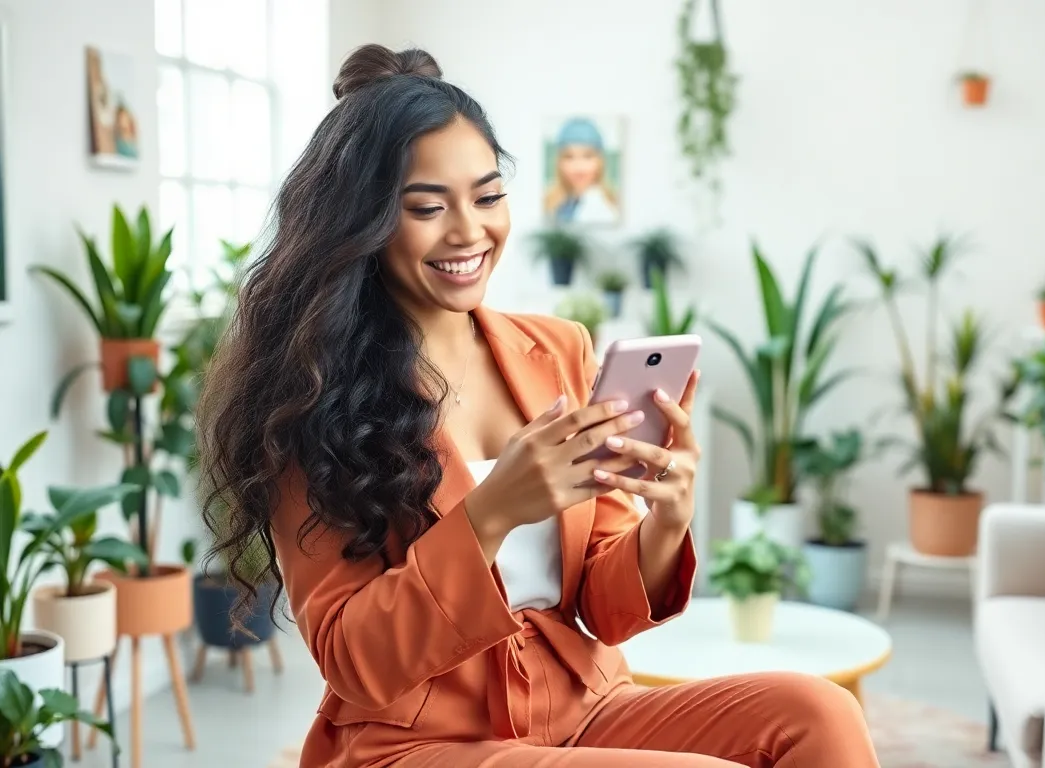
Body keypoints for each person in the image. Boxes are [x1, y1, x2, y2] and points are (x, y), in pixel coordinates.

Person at [196, 44, 880, 768]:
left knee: (819, 713)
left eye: (488, 197)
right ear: (361, 225)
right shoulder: (311, 396)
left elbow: (603, 609)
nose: (469, 231)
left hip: (579, 709)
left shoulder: (557, 350)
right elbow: (352, 658)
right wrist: (490, 514)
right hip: (418, 742)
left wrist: (666, 518)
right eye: (427, 207)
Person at [543, 116, 621, 225]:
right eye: (569, 157)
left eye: (587, 156)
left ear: (600, 161)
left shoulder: (611, 207)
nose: (578, 167)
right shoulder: (549, 202)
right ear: (559, 162)